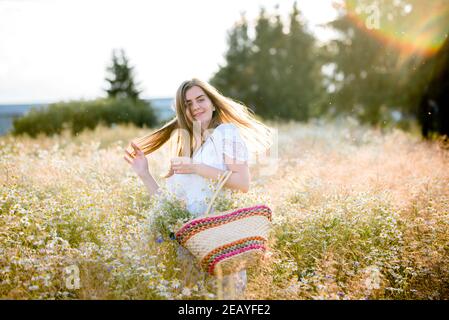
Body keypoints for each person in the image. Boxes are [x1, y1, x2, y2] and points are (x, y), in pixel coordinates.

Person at [123, 78, 273, 299]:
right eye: (188, 104)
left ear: (212, 103)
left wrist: (197, 167)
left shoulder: (226, 133)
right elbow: (169, 205)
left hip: (220, 239)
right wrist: (144, 173)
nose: (195, 107)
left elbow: (243, 183)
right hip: (190, 245)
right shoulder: (189, 149)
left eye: (200, 99)